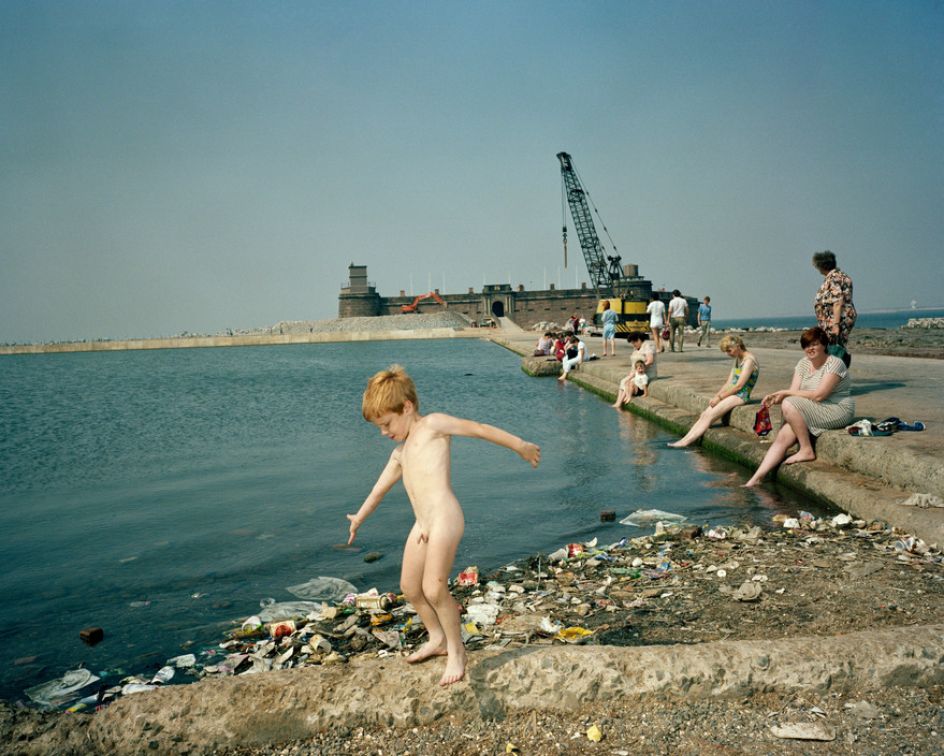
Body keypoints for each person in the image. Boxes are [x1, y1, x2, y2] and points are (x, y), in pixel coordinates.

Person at [347, 365, 540, 686]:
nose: (384, 432)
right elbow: (378, 489)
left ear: (406, 407)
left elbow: (478, 429)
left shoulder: (434, 425)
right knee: (410, 588)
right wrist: (360, 517)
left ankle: (457, 650)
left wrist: (520, 445)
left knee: (435, 588)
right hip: (422, 524)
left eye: (386, 423)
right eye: (379, 426)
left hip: (445, 517)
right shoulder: (400, 452)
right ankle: (436, 637)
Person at [744, 327, 854, 487]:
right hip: (812, 407)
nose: (810, 348)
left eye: (814, 344)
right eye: (806, 345)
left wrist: (784, 394)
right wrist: (777, 398)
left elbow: (819, 395)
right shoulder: (803, 364)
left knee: (789, 404)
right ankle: (755, 480)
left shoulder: (835, 363)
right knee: (783, 436)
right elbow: (794, 393)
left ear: (824, 344)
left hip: (837, 409)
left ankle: (806, 449)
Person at [668, 335, 759, 447]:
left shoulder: (749, 361)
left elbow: (739, 386)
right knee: (704, 414)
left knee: (709, 416)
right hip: (732, 393)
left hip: (740, 395)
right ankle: (685, 439)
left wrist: (720, 398)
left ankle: (685, 442)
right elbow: (729, 383)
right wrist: (716, 396)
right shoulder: (738, 359)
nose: (728, 354)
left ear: (738, 346)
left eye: (729, 350)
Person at [812, 250, 856, 366]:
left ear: (822, 265)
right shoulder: (842, 276)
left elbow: (837, 301)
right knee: (837, 348)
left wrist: (835, 324)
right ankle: (836, 376)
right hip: (841, 318)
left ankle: (836, 377)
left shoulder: (833, 278)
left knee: (834, 350)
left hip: (836, 319)